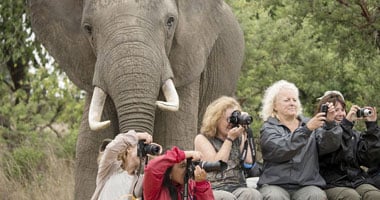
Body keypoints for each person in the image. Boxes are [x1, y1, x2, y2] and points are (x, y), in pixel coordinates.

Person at [257, 80, 343, 200]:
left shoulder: (309, 123)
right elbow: (280, 150)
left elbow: (329, 146)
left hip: (306, 185)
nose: (292, 103)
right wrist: (306, 130)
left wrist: (330, 124)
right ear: (274, 105)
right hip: (275, 185)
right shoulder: (269, 127)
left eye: (294, 100)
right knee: (274, 196)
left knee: (316, 195)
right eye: (287, 100)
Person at [194, 96, 263, 200]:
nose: (231, 124)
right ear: (216, 119)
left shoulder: (238, 137)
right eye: (229, 119)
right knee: (227, 198)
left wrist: (245, 132)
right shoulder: (202, 139)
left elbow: (248, 161)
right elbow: (217, 164)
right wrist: (229, 139)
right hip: (214, 188)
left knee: (253, 194)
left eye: (234, 119)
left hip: (237, 186)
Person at [316, 90, 380, 200]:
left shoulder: (353, 134)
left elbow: (369, 160)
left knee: (374, 195)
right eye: (336, 110)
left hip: (356, 180)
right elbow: (335, 151)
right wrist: (346, 124)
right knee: (351, 197)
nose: (341, 114)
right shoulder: (320, 133)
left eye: (343, 110)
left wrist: (372, 127)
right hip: (331, 182)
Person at [91, 130, 160, 200]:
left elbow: (154, 186)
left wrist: (155, 160)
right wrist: (138, 136)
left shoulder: (139, 181)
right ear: (129, 149)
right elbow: (111, 148)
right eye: (140, 147)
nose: (142, 152)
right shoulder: (109, 168)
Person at [143, 146, 214, 200]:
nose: (187, 169)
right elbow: (152, 168)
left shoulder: (192, 185)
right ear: (169, 173)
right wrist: (184, 154)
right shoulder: (155, 191)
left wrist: (201, 184)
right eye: (183, 166)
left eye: (188, 165)